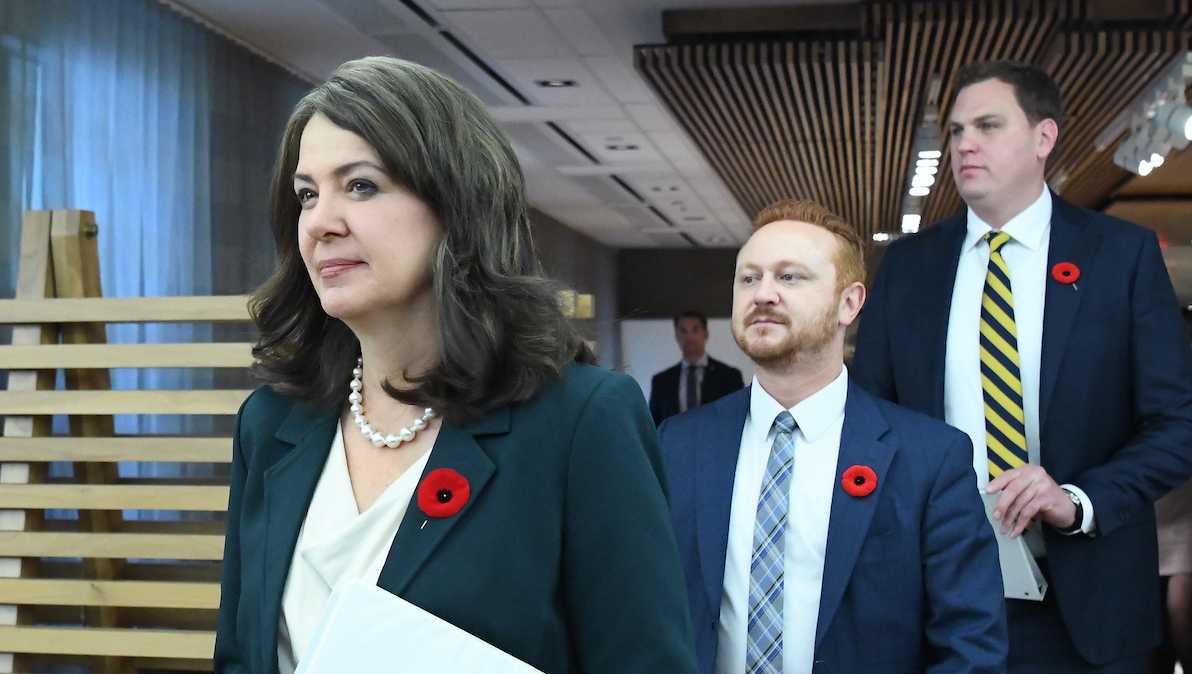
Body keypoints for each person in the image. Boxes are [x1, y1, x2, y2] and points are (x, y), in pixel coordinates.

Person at [213, 57, 699, 674]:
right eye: (307, 195)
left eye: (360, 186)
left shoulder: (580, 421)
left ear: (455, 204)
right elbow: (238, 656)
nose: (321, 223)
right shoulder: (272, 424)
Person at [853, 59, 1192, 674]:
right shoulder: (909, 270)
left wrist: (1078, 499)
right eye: (955, 131)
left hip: (1089, 609)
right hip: (939, 603)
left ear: (1044, 138)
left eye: (987, 125)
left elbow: (1178, 424)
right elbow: (870, 425)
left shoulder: (1120, 257)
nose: (965, 144)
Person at [661, 199, 1007, 674]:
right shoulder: (678, 444)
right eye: (749, 277)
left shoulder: (931, 458)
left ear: (850, 303)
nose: (763, 294)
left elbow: (971, 645)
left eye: (790, 277)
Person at [649, 310, 744, 425]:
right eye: (684, 331)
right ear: (676, 335)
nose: (690, 337)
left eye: (695, 330)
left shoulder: (729, 377)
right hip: (675, 441)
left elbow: (738, 418)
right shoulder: (661, 382)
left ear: (705, 334)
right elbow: (654, 426)